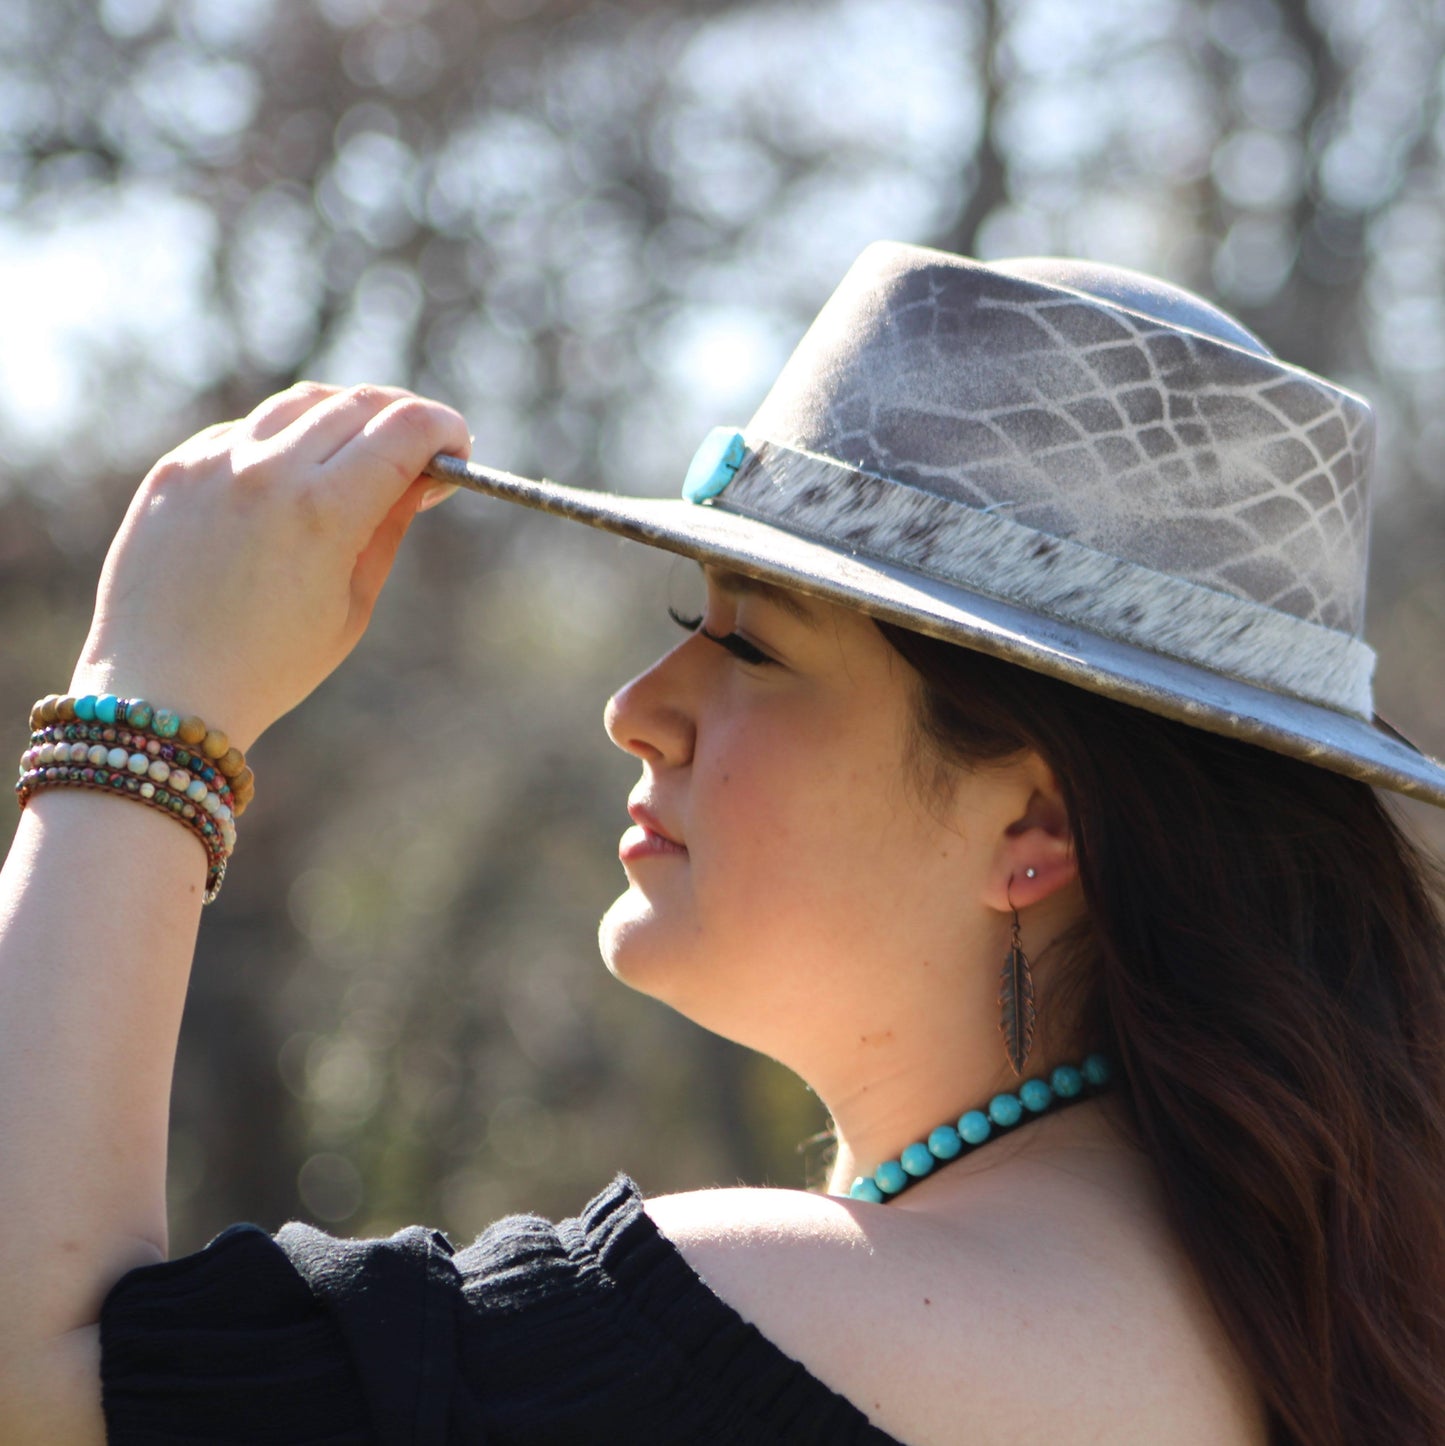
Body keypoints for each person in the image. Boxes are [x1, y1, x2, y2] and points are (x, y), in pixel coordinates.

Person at [1, 243, 1442, 1446]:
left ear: (1033, 821)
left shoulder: (780, 1322)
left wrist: (147, 707)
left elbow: (45, 1381)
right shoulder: (1320, 1317)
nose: (638, 709)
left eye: (748, 645)